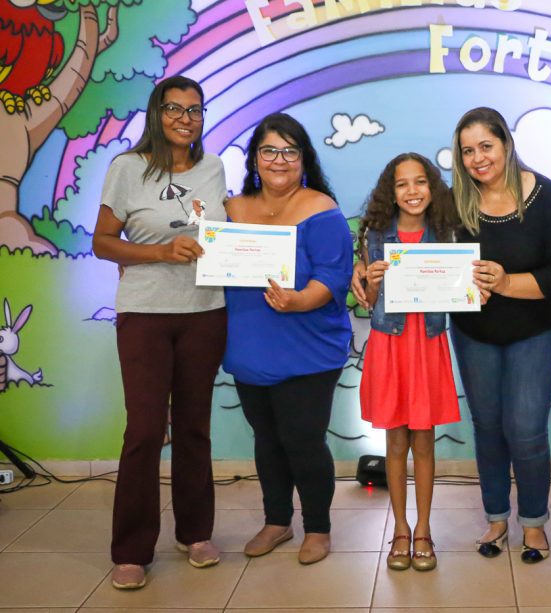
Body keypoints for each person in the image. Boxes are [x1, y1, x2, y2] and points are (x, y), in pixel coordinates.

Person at [93, 75, 228, 589]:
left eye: (194, 110)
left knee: (194, 428)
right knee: (146, 431)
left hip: (205, 311)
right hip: (145, 314)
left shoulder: (214, 168)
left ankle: (195, 532)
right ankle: (131, 550)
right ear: (156, 113)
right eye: (174, 108)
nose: (185, 118)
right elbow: (103, 242)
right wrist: (159, 253)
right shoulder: (127, 168)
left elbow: (222, 232)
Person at [449, 107, 551, 564]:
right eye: (468, 151)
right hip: (473, 332)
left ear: (506, 143)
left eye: (486, 146)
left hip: (534, 331)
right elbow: (430, 260)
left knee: (525, 430)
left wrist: (506, 283)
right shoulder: (456, 202)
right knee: (487, 427)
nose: (478, 158)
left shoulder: (546, 197)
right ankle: (496, 518)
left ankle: (534, 522)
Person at [222, 113, 352, 566]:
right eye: (269, 151)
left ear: (304, 158)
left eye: (290, 151)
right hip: (249, 345)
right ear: (255, 158)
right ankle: (277, 521)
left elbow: (333, 277)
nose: (279, 160)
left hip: (309, 345)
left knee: (303, 440)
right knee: (267, 438)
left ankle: (317, 527)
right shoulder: (231, 210)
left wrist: (299, 301)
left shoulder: (321, 209)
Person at [357, 153, 462, 571]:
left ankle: (424, 530)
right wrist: (370, 282)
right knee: (396, 441)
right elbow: (368, 301)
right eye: (402, 184)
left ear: (432, 188)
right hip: (391, 344)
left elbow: (459, 287)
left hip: (428, 342)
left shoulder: (446, 232)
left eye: (420, 182)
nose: (412, 191)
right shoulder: (376, 233)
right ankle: (400, 528)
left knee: (424, 440)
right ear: (391, 191)